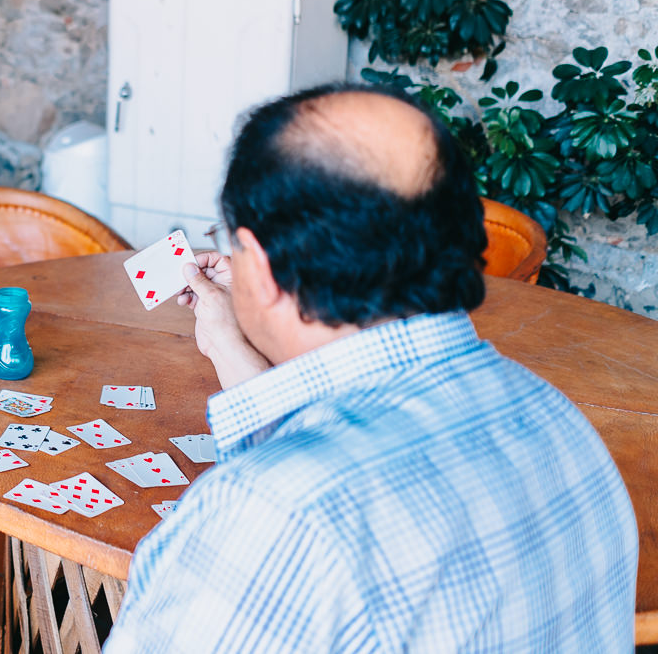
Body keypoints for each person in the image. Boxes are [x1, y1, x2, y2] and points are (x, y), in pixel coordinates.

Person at [104, 83, 638, 653]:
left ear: (258, 262)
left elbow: (304, 498)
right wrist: (234, 343)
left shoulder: (271, 519)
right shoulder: (559, 420)